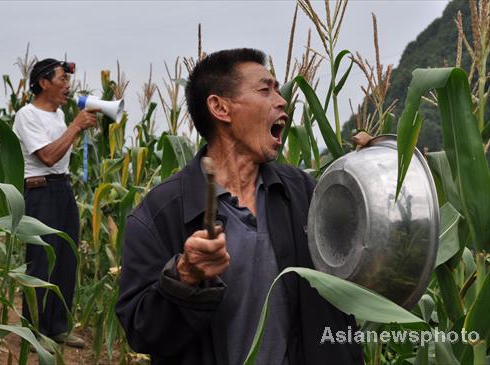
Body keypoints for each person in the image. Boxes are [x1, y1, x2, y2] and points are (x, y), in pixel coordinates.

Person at [115, 48, 363, 364]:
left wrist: (372, 174)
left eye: (277, 88)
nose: (282, 99)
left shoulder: (305, 192)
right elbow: (142, 332)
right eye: (265, 89)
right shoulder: (160, 214)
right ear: (220, 108)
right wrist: (185, 276)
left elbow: (359, 267)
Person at [13, 58, 98, 348]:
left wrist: (73, 127)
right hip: (39, 192)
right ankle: (33, 331)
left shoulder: (59, 116)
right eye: (62, 79)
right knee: (41, 261)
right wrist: (75, 127)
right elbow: (47, 157)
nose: (67, 86)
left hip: (62, 188)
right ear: (43, 83)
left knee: (66, 258)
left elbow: (59, 158)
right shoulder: (27, 115)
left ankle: (58, 327)